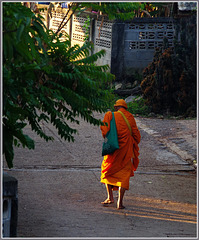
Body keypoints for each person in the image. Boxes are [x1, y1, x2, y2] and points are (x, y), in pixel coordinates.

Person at [100, 99, 141, 209]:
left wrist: (111, 138)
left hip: (113, 150)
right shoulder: (130, 117)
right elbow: (137, 135)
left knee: (108, 171)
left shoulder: (110, 115)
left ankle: (110, 197)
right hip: (126, 151)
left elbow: (104, 130)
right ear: (125, 108)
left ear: (116, 107)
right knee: (124, 176)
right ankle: (120, 202)